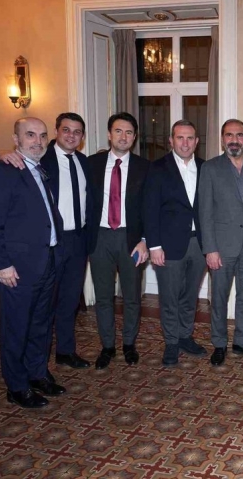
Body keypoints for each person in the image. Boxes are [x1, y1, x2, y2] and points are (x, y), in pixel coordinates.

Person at [0, 113, 94, 369]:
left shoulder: (84, 162)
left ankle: (65, 351)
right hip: (48, 245)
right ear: (57, 132)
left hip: (78, 240)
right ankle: (30, 368)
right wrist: (2, 154)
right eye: (66, 130)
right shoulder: (39, 158)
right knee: (42, 307)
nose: (71, 135)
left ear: (83, 137)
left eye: (77, 131)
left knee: (69, 301)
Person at [0, 118, 65, 407]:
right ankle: (16, 386)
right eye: (30, 135)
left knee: (41, 324)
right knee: (16, 328)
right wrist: (1, 264)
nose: (37, 141)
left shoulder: (40, 168)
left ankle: (37, 374)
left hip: (46, 261)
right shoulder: (5, 171)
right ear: (16, 139)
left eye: (42, 135)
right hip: (17, 269)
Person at [88, 112, 150, 370]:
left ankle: (129, 345)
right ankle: (107, 346)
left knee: (132, 296)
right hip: (99, 238)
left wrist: (145, 240)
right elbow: (53, 161)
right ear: (109, 134)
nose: (123, 136)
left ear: (134, 137)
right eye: (118, 131)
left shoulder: (145, 167)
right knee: (103, 297)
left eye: (128, 132)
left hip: (131, 240)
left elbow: (150, 208)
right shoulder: (91, 164)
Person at [199, 119, 243, 366]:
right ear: (222, 139)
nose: (234, 140)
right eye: (229, 135)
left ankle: (240, 341)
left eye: (239, 135)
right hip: (221, 248)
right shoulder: (210, 168)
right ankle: (219, 343)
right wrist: (210, 249)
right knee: (219, 298)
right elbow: (205, 212)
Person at [144, 120, 207, 367]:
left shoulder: (205, 167)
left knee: (190, 296)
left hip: (199, 244)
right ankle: (171, 342)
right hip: (168, 245)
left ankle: (185, 336)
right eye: (180, 138)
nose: (185, 143)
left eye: (190, 138)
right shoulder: (157, 168)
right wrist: (154, 246)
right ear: (171, 140)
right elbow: (149, 209)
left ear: (196, 141)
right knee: (169, 297)